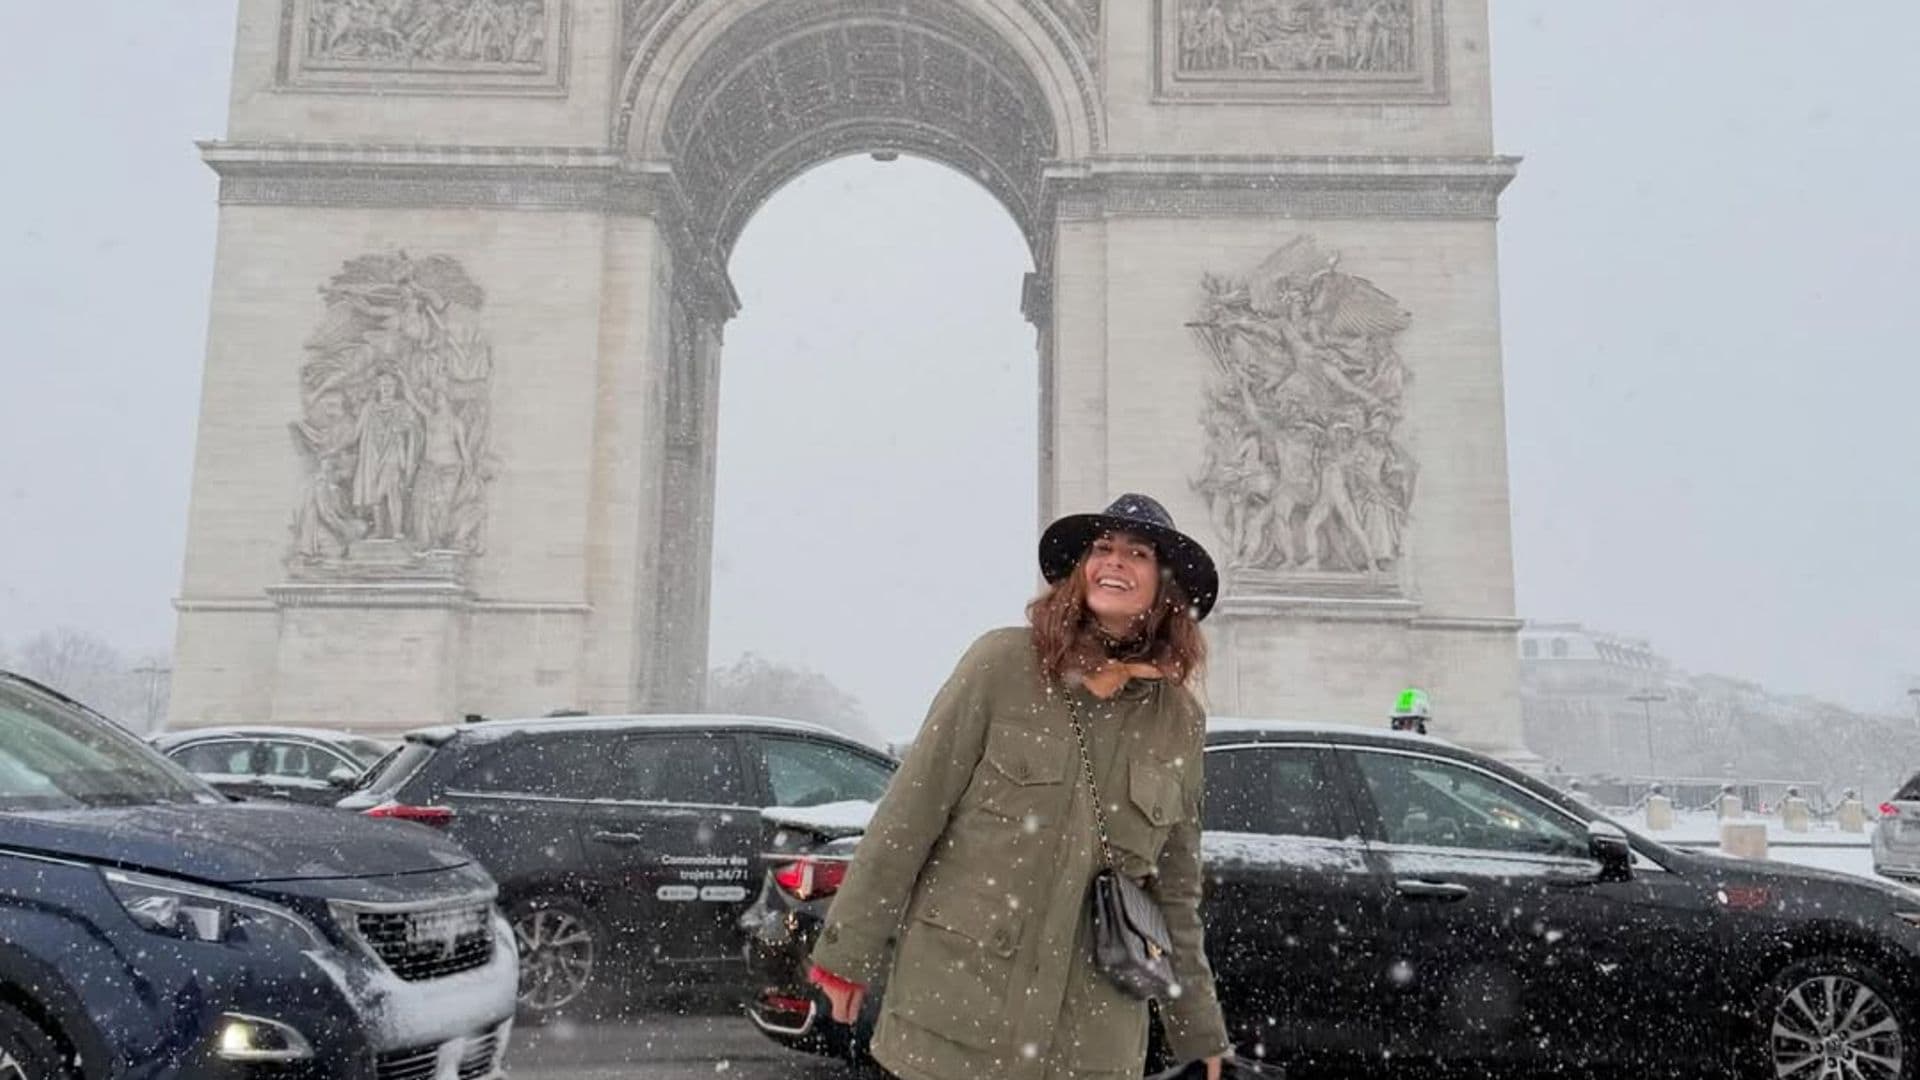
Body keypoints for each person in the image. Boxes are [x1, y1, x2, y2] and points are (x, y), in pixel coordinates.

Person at [807, 494, 1230, 1080]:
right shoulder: (1001, 665)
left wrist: (1200, 1034)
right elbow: (910, 815)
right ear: (1079, 569)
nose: (1115, 562)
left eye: (1138, 553)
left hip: (1091, 1041)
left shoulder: (1179, 720)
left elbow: (1175, 896)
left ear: (1166, 587)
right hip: (955, 1016)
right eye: (1102, 548)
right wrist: (846, 953)